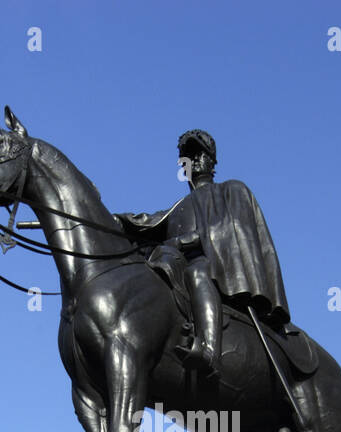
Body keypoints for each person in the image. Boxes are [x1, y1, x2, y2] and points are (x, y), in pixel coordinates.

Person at [117, 130, 290, 378]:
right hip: (174, 265)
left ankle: (209, 350)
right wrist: (111, 220)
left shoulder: (231, 191)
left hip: (209, 266)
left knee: (197, 273)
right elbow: (145, 222)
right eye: (188, 157)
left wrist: (183, 242)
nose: (194, 160)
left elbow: (228, 230)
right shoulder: (177, 208)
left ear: (212, 160)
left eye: (200, 154)